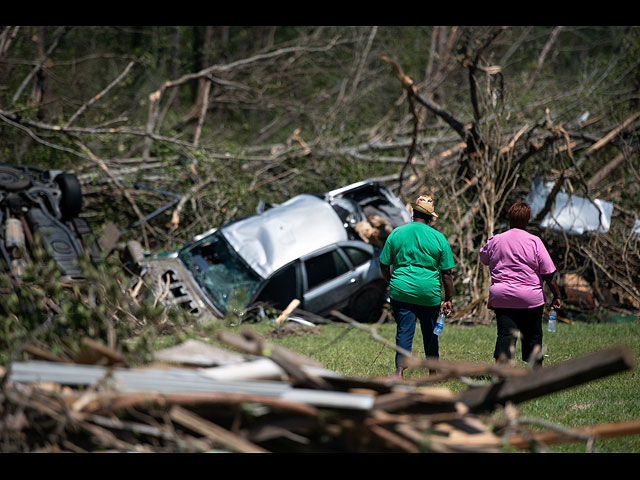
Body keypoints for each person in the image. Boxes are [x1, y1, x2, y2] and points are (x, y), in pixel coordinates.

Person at [380, 194, 455, 378]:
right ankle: (433, 372)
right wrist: (448, 299)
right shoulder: (439, 238)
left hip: (401, 290)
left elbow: (383, 263)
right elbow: (447, 274)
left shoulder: (397, 233)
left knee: (404, 330)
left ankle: (399, 371)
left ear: (413, 213)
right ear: (430, 217)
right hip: (428, 293)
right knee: (430, 332)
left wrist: (391, 282)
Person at [479, 201, 562, 366]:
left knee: (505, 335)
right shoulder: (534, 241)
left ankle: (501, 371)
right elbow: (548, 273)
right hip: (530, 298)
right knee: (533, 335)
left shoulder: (495, 240)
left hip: (503, 297)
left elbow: (484, 259)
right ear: (528, 220)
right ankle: (536, 371)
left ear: (509, 218)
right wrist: (557, 295)